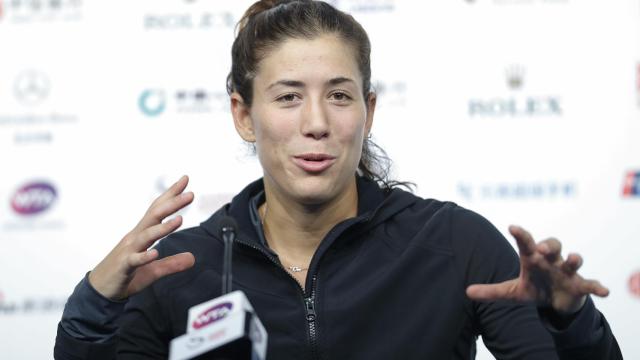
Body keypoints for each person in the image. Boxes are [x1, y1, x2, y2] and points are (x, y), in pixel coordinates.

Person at [54, 1, 622, 359]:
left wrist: (569, 324)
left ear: (368, 112)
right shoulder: (180, 266)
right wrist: (93, 306)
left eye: (340, 95)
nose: (317, 123)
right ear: (244, 115)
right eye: (288, 97)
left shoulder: (456, 243)